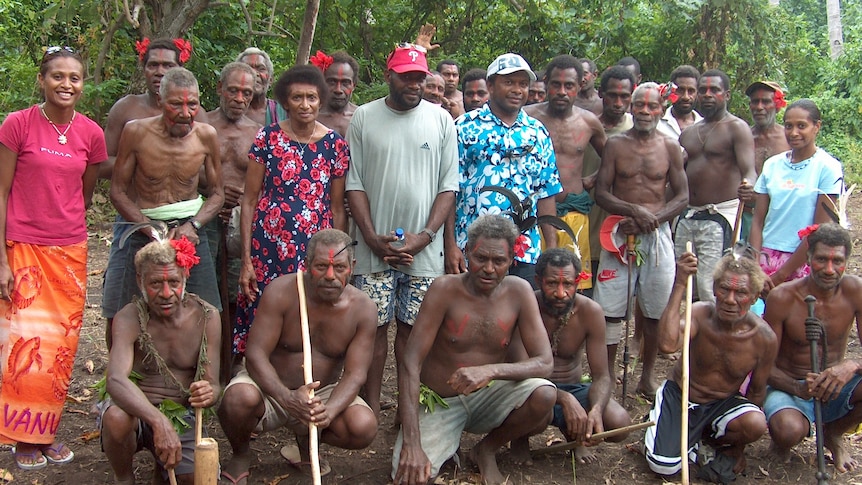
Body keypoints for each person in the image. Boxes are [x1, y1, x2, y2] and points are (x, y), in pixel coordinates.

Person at [0, 46, 106, 469]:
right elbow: (2, 191)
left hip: (71, 253)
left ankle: (47, 432)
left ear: (83, 84)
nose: (66, 84)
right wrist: (2, 260)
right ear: (42, 80)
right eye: (58, 76)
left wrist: (64, 230)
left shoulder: (91, 133)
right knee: (27, 347)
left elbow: (85, 192)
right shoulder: (17, 125)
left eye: (74, 78)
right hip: (24, 249)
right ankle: (23, 437)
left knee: (61, 350)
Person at [392, 215, 556, 485]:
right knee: (407, 476)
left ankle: (486, 449)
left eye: (499, 261)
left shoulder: (520, 291)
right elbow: (410, 363)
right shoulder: (444, 290)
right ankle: (444, 442)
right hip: (442, 401)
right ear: (467, 252)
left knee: (544, 395)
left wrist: (490, 371)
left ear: (512, 260)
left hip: (490, 397)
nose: (489, 269)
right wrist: (412, 443)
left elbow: (544, 362)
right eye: (481, 258)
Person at [346, 43, 458, 416]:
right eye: (406, 76)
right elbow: (355, 183)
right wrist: (372, 238)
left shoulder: (441, 119)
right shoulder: (363, 117)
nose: (414, 84)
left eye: (419, 77)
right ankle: (373, 406)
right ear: (388, 75)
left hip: (423, 250)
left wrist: (425, 236)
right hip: (373, 248)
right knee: (374, 328)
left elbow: (448, 187)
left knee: (414, 331)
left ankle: (408, 411)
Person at [219, 229, 378, 484]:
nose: (330, 276)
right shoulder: (281, 291)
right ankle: (240, 453)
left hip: (321, 394)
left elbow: (356, 373)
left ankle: (307, 438)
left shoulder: (363, 309)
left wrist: (329, 411)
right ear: (306, 265)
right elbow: (256, 354)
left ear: (352, 267)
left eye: (339, 267)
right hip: (271, 390)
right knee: (238, 400)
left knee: (362, 426)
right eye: (321, 266)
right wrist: (286, 397)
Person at [234, 64, 348, 356]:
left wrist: (339, 257)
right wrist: (246, 259)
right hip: (268, 246)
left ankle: (306, 374)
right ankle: (255, 380)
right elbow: (249, 199)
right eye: (297, 98)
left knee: (309, 309)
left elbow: (336, 207)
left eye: (311, 97)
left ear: (320, 100)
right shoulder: (267, 138)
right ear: (285, 102)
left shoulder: (335, 145)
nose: (305, 105)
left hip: (315, 249)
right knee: (264, 307)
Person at [109, 67, 224, 333]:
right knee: (120, 308)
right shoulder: (136, 132)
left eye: (192, 104)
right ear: (160, 101)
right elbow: (118, 191)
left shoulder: (206, 135)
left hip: (190, 230)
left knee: (207, 308)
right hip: (140, 225)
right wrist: (149, 229)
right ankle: (119, 371)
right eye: (176, 104)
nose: (185, 113)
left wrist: (193, 226)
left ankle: (203, 372)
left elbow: (217, 193)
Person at [646, 252, 777, 479]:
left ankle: (700, 441)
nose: (729, 299)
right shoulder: (700, 314)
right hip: (681, 396)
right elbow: (667, 345)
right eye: (724, 289)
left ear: (755, 297)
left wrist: (739, 447)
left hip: (720, 405)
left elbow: (756, 392)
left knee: (755, 422)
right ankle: (682, 440)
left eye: (741, 293)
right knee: (663, 466)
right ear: (714, 288)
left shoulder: (764, 339)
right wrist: (679, 283)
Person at [100, 239, 221, 485]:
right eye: (156, 283)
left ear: (185, 278)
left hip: (180, 413)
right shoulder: (128, 317)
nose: (166, 294)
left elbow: (214, 384)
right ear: (140, 281)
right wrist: (158, 422)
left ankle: (162, 469)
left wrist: (208, 393)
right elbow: (116, 380)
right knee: (116, 419)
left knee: (194, 478)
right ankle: (123, 477)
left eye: (173, 283)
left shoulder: (207, 316)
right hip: (135, 411)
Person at [594, 82, 688, 397]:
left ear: (662, 110)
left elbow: (683, 196)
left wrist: (653, 219)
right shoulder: (615, 145)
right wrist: (632, 211)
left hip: (655, 239)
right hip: (619, 235)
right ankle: (605, 377)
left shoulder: (671, 147)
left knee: (654, 308)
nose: (645, 112)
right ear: (632, 108)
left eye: (652, 107)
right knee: (609, 307)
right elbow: (602, 191)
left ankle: (646, 378)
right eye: (640, 106)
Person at [447, 52, 562, 286]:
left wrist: (551, 251)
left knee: (519, 316)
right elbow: (449, 190)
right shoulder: (464, 128)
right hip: (474, 248)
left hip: (525, 249)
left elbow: (546, 192)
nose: (517, 90)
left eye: (523, 84)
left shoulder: (537, 132)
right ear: (490, 85)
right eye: (508, 82)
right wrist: (449, 245)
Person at [509, 248, 631, 465]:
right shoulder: (526, 307)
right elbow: (520, 370)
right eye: (552, 284)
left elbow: (602, 376)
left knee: (620, 423)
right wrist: (565, 400)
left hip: (573, 388)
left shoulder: (590, 312)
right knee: (541, 404)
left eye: (568, 284)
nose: (561, 293)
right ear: (538, 280)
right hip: (531, 391)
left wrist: (595, 410)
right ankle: (520, 437)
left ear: (578, 282)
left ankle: (575, 435)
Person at [762, 223, 862, 473]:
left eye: (837, 261)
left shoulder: (855, 291)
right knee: (788, 431)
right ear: (808, 258)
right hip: (789, 386)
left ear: (846, 261)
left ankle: (833, 434)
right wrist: (796, 387)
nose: (829, 269)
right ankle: (784, 437)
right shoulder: (782, 298)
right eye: (821, 260)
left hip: (835, 386)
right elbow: (762, 365)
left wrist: (850, 366)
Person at [199, 61, 261, 379]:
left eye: (246, 93)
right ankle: (203, 365)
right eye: (233, 90)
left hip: (241, 222)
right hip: (204, 217)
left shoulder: (258, 132)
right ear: (220, 88)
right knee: (204, 294)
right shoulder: (201, 123)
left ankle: (233, 365)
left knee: (239, 294)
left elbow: (264, 181)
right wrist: (213, 196)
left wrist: (240, 203)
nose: (239, 98)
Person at [524, 55, 606, 292]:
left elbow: (612, 157)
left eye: (568, 85)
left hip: (574, 213)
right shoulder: (527, 118)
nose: (561, 91)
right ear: (546, 83)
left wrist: (593, 178)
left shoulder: (589, 122)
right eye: (556, 84)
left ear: (580, 86)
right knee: (535, 283)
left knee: (573, 285)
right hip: (533, 215)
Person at [677, 69, 756, 303]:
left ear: (727, 95)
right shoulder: (689, 133)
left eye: (715, 90)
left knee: (711, 286)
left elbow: (749, 169)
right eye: (703, 90)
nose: (707, 94)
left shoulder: (736, 127)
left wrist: (748, 185)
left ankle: (713, 337)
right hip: (689, 215)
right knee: (686, 285)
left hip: (720, 215)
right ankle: (690, 336)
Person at [749, 99, 843, 293]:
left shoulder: (828, 168)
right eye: (789, 126)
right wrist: (756, 266)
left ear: (817, 126)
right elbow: (758, 221)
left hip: (804, 258)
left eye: (802, 126)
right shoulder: (772, 165)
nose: (793, 133)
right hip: (765, 258)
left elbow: (819, 230)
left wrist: (782, 274)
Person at [582, 65, 636, 290]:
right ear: (601, 93)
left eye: (624, 96)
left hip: (617, 211)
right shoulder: (586, 125)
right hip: (585, 208)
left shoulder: (636, 127)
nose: (618, 102)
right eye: (612, 95)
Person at [101, 38, 186, 179]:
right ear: (144, 68)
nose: (160, 72)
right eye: (153, 65)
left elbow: (207, 168)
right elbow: (102, 165)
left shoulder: (193, 114)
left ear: (180, 70)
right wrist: (142, 163)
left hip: (181, 200)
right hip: (133, 200)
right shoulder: (125, 108)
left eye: (168, 66)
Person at [741, 81, 790, 241]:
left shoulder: (789, 138)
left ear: (777, 105)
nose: (759, 107)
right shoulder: (742, 138)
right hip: (746, 217)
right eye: (755, 101)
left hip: (780, 216)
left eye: (766, 101)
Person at [315, 50, 361, 137]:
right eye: (332, 82)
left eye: (345, 83)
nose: (338, 90)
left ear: (353, 85)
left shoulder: (363, 118)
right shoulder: (310, 118)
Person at [236, 47, 285, 126]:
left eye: (261, 69)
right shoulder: (228, 113)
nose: (254, 73)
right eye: (247, 68)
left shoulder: (284, 113)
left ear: (270, 80)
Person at [656, 65, 702, 140]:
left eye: (691, 91)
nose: (685, 97)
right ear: (671, 91)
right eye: (680, 90)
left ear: (697, 93)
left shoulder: (704, 126)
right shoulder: (657, 123)